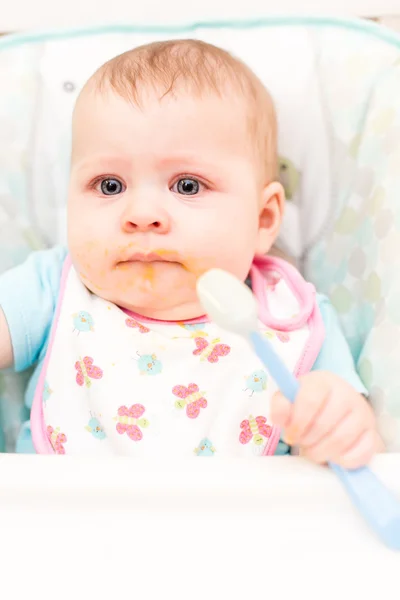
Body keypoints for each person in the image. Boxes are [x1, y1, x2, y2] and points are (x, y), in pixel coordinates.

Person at [0, 39, 383, 465]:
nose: (141, 214)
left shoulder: (291, 317)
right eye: (109, 185)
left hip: (248, 528)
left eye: (188, 185)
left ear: (263, 220)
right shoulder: (53, 287)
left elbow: (351, 432)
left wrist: (336, 424)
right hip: (58, 524)